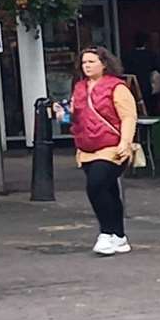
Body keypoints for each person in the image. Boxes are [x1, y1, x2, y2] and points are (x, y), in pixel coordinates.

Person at [54, 47, 138, 256]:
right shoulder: (79, 88)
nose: (87, 66)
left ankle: (106, 232)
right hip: (87, 147)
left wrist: (125, 142)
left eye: (92, 61)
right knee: (107, 190)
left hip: (111, 147)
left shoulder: (117, 88)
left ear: (104, 64)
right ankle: (119, 236)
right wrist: (62, 115)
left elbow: (128, 116)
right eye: (84, 63)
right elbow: (76, 116)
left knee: (96, 186)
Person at [124, 32, 160, 114]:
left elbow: (125, 69)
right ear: (146, 43)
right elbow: (157, 68)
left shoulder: (128, 55)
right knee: (148, 103)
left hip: (132, 83)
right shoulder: (150, 55)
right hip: (146, 82)